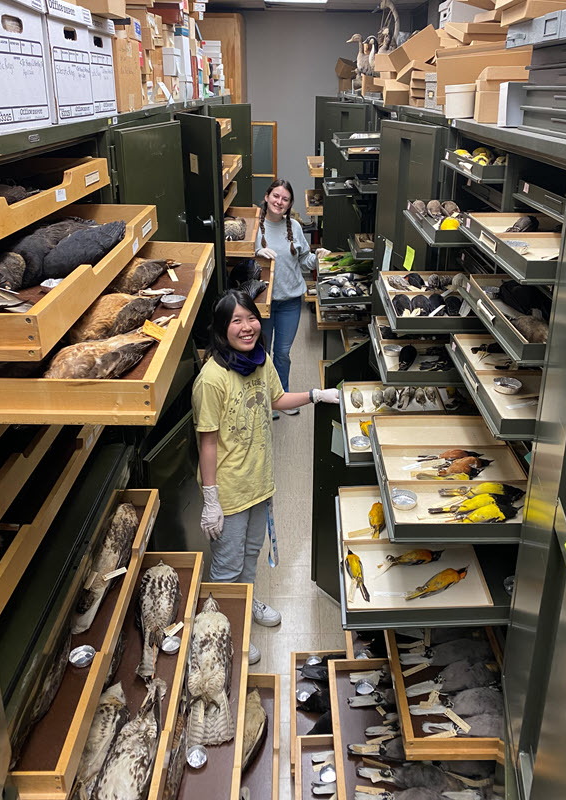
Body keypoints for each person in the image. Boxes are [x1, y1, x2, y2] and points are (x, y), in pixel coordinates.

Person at [191, 289, 339, 664]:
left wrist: (315, 395)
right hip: (229, 493)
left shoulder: (259, 360)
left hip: (258, 483)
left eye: (251, 318)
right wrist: (211, 500)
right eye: (236, 321)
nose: (247, 327)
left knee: (250, 554)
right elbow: (207, 443)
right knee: (226, 568)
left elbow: (276, 398)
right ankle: (226, 635)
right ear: (221, 329)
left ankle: (245, 603)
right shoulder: (211, 380)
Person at [255, 179, 330, 416]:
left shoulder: (294, 227)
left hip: (290, 301)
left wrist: (318, 258)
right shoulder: (255, 225)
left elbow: (304, 260)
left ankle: (282, 398)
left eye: (285, 199)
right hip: (263, 303)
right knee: (262, 353)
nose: (279, 202)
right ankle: (264, 400)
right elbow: (240, 260)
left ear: (289, 204)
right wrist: (256, 252)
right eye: (276, 196)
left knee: (283, 353)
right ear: (267, 196)